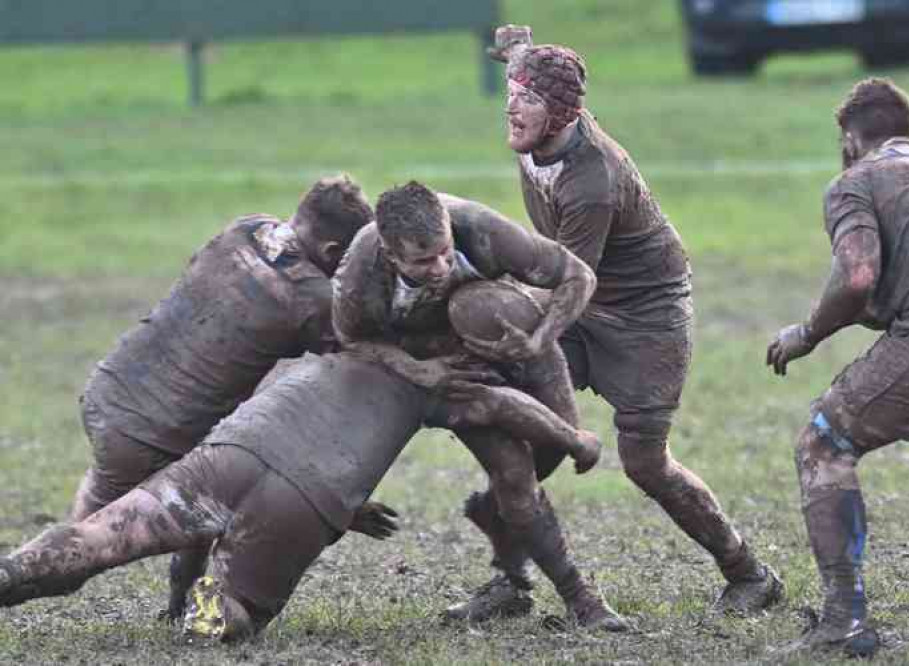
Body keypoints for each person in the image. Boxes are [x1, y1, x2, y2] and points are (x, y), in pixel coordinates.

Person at [0, 294, 610, 642]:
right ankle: (198, 613)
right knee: (221, 619)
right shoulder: (452, 382)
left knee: (93, 537)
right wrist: (576, 439)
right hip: (297, 506)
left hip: (230, 455)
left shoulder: (349, 327)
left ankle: (11, 572)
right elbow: (507, 407)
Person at [452, 25, 783, 620]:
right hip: (583, 292)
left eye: (526, 99)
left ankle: (749, 573)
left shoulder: (592, 182)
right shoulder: (545, 106)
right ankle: (510, 582)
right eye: (513, 93)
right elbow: (535, 72)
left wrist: (518, 324)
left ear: (560, 115)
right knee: (523, 433)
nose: (512, 106)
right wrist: (519, 52)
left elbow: (568, 281)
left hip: (645, 313)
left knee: (645, 462)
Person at [766, 77, 909, 656]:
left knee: (823, 445)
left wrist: (807, 334)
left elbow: (857, 277)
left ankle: (843, 620)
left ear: (850, 137)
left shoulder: (856, 181)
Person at [70, 175, 374, 619]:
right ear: (332, 254)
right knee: (90, 547)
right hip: (150, 433)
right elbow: (364, 349)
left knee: (168, 508)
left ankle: (174, 604)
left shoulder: (247, 227)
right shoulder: (310, 295)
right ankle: (172, 601)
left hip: (107, 391)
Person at [332, 181, 627, 630]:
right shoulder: (360, 273)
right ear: (392, 256)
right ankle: (583, 601)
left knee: (553, 446)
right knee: (514, 474)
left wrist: (539, 339)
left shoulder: (480, 229)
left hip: (514, 338)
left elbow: (578, 275)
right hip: (445, 368)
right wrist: (419, 370)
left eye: (445, 252)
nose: (440, 266)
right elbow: (351, 340)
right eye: (422, 260)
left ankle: (496, 516)